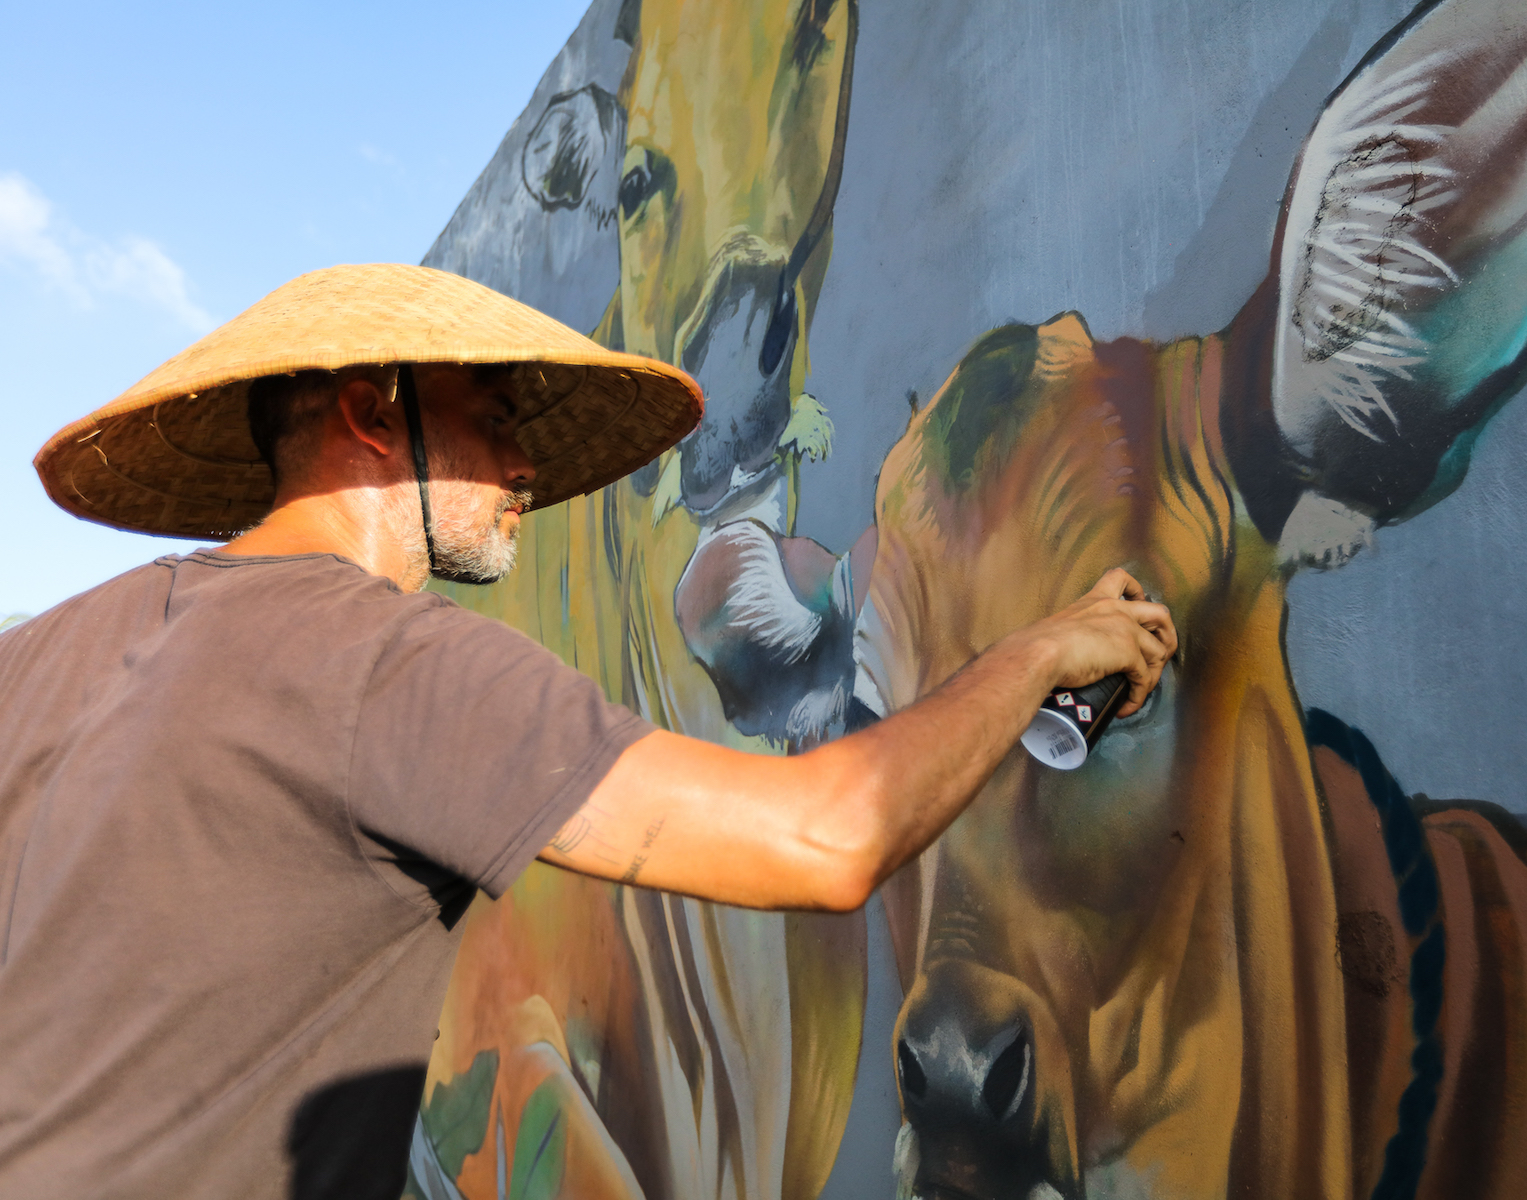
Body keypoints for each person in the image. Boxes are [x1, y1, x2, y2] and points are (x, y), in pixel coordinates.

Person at [0, 264, 1175, 1198]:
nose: (527, 466)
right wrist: (1039, 654)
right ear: (372, 413)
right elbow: (824, 840)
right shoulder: (389, 665)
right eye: (495, 419)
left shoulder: (41, 654)